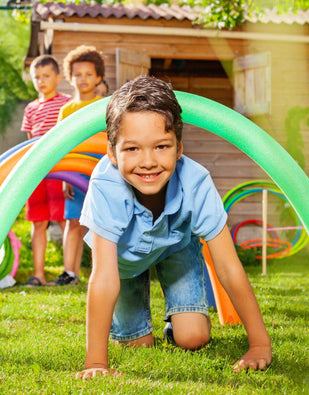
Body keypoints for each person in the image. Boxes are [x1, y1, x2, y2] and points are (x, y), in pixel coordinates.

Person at [76, 76, 272, 379]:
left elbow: (229, 268)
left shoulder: (196, 182)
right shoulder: (106, 186)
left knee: (193, 338)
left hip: (175, 248)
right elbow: (103, 278)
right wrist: (96, 363)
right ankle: (135, 328)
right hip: (123, 264)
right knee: (138, 344)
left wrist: (259, 344)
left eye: (161, 146)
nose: (148, 162)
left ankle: (179, 322)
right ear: (112, 153)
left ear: (179, 148)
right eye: (132, 149)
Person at [48, 45, 105, 286]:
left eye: (88, 74)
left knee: (100, 225)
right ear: (70, 78)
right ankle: (69, 273)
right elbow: (61, 145)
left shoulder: (104, 105)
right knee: (73, 223)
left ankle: (103, 272)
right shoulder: (67, 109)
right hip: (75, 174)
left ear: (99, 77)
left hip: (100, 174)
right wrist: (64, 178)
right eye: (78, 74)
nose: (83, 79)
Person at [21, 55, 71, 286]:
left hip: (60, 169)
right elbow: (30, 141)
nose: (41, 81)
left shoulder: (67, 103)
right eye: (36, 77)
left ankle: (68, 273)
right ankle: (39, 274)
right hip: (37, 171)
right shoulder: (31, 108)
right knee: (38, 222)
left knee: (64, 219)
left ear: (58, 78)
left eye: (46, 76)